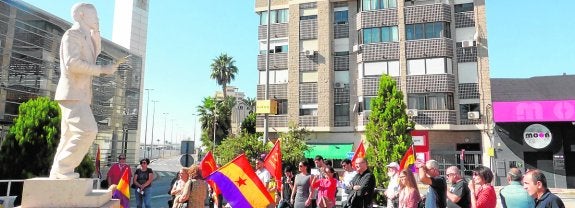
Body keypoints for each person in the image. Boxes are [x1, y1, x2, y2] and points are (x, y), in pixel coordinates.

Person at [50, 2, 127, 180]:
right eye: (95, 16)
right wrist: (102, 69)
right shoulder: (72, 34)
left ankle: (58, 171)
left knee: (68, 136)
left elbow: (95, 51)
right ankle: (63, 168)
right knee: (87, 130)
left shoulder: (85, 37)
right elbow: (72, 63)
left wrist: (96, 31)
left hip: (81, 95)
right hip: (72, 93)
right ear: (82, 15)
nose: (98, 18)